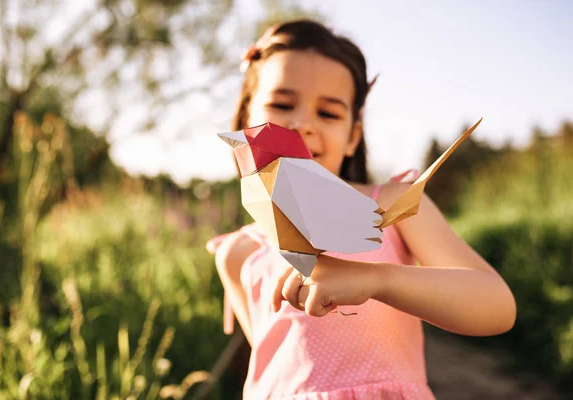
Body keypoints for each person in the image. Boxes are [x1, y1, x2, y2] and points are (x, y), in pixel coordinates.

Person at [206, 19, 516, 399]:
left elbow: (497, 306)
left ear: (353, 135)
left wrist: (376, 279)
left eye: (329, 113)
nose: (302, 124)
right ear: (243, 120)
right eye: (282, 104)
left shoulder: (392, 203)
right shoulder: (239, 254)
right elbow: (273, 364)